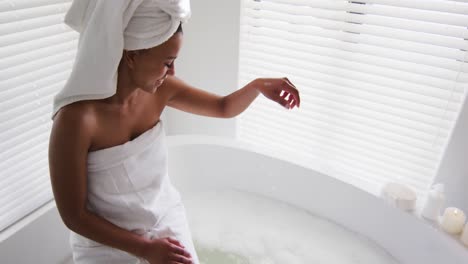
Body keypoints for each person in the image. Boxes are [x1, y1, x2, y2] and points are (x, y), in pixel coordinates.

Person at [48, 1, 300, 264]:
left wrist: (257, 86)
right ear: (132, 56)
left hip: (162, 219)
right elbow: (74, 216)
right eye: (167, 62)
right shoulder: (76, 121)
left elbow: (223, 107)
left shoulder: (161, 90)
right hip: (106, 242)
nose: (172, 72)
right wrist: (144, 249)